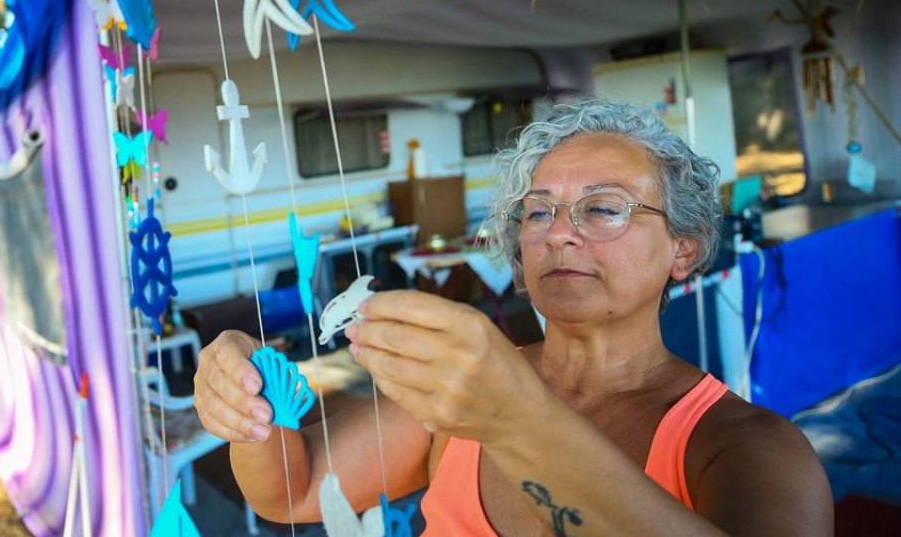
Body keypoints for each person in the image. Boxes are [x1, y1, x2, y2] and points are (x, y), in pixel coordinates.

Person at [193, 99, 832, 536]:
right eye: (537, 212)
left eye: (604, 209)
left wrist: (518, 419)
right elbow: (291, 491)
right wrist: (246, 399)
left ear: (684, 249)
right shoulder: (456, 400)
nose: (559, 234)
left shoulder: (742, 448)